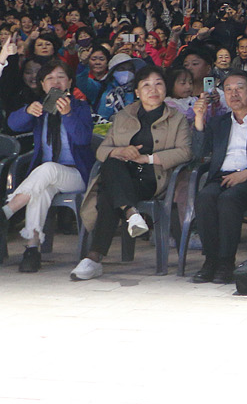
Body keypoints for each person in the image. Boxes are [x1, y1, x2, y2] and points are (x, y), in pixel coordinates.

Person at [71, 65, 192, 281]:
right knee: (112, 164)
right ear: (136, 91)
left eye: (158, 84)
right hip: (123, 176)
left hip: (153, 177)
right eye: (146, 85)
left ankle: (94, 257)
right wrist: (119, 150)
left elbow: (185, 152)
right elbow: (102, 150)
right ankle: (131, 213)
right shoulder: (123, 116)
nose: (152, 89)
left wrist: (148, 158)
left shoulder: (177, 118)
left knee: (109, 190)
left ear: (165, 89)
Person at [4, 60, 94, 273]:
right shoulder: (40, 108)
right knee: (41, 190)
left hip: (76, 173)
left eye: (61, 77)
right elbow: (13, 125)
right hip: (46, 177)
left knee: (47, 170)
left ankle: (6, 212)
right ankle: (32, 249)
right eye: (50, 79)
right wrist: (27, 111)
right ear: (43, 85)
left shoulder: (80, 107)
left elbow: (82, 139)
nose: (56, 82)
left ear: (70, 82)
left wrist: (68, 114)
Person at [188, 70, 247, 284]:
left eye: (239, 88)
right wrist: (199, 118)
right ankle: (210, 260)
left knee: (229, 199)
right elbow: (198, 154)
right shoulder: (219, 122)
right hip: (222, 176)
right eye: (228, 90)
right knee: (205, 197)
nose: (234, 94)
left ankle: (225, 261)